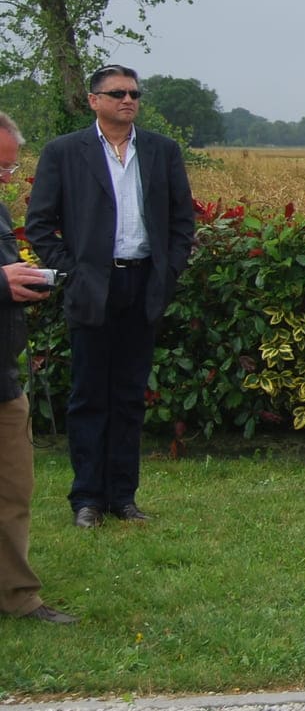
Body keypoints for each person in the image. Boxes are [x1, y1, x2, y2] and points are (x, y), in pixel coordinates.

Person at [24, 66, 196, 528]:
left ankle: (123, 497)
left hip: (143, 284)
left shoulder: (161, 151)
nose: (128, 100)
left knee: (128, 396)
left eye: (134, 93)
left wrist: (170, 269)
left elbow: (183, 221)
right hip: (92, 286)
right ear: (93, 100)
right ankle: (87, 499)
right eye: (117, 93)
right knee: (87, 396)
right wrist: (74, 269)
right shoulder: (65, 152)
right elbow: (40, 223)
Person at [1, 114, 78, 623]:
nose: (6, 179)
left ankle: (17, 596)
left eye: (8, 168)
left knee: (14, 490)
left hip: (3, 376)